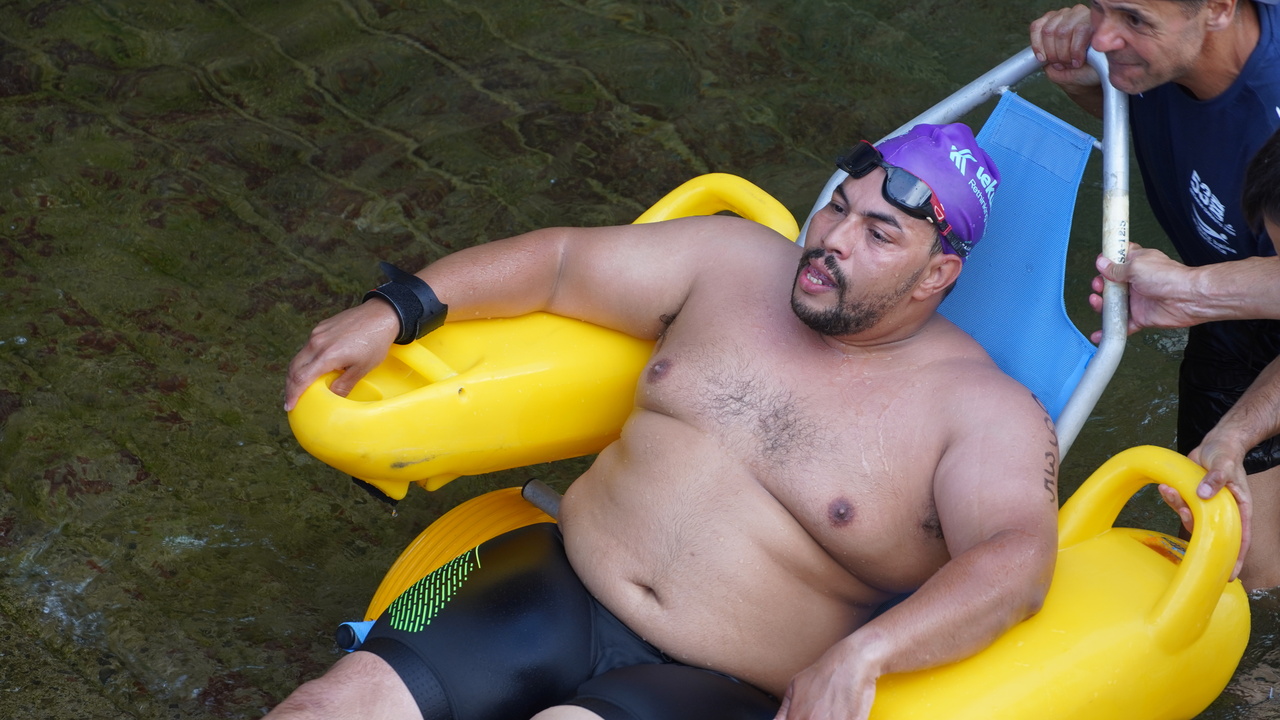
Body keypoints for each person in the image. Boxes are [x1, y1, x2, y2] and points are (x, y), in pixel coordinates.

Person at [271, 123, 1059, 720]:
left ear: (936, 274)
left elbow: (1017, 562)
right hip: (547, 579)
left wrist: (865, 654)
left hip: (717, 686)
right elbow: (560, 263)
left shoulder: (981, 408)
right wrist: (397, 308)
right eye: (837, 208)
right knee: (324, 708)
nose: (830, 242)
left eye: (879, 234)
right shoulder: (732, 263)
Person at [1030, 0, 1280, 589]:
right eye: (1098, 7)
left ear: (1218, 9)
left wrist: (1195, 291)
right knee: (1223, 549)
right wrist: (1090, 81)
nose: (1102, 36)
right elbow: (1170, 125)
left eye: (1134, 19)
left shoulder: (1269, 116)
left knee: (1243, 557)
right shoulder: (1163, 55)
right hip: (1229, 331)